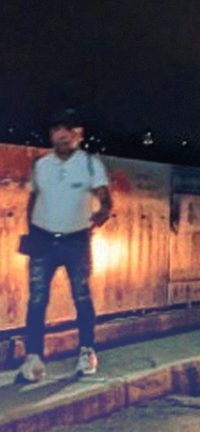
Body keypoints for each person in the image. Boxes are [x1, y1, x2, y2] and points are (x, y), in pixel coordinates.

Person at [17, 109, 112, 383]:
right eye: (56, 129)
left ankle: (86, 352)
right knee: (36, 301)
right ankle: (33, 358)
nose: (61, 134)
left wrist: (101, 214)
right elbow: (33, 199)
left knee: (82, 298)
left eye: (68, 129)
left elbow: (105, 200)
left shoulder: (91, 165)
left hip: (76, 240)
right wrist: (31, 231)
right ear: (51, 134)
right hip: (43, 240)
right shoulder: (41, 165)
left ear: (78, 135)